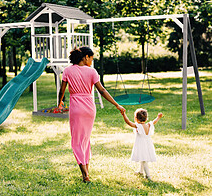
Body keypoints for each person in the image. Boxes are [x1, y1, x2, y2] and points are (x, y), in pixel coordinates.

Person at [58, 46, 125, 183]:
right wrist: (116, 104)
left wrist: (59, 103)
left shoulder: (68, 71)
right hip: (89, 109)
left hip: (76, 109)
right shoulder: (92, 72)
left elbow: (62, 91)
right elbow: (102, 90)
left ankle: (85, 174)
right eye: (91, 58)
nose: (92, 61)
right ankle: (86, 171)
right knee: (85, 140)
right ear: (86, 57)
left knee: (77, 141)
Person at [121, 108, 163, 180]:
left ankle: (148, 176)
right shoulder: (149, 125)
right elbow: (154, 121)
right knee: (142, 157)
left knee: (144, 160)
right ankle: (140, 171)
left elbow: (128, 122)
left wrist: (124, 114)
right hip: (148, 144)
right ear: (146, 119)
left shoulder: (138, 126)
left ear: (136, 118)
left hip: (141, 145)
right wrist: (158, 117)